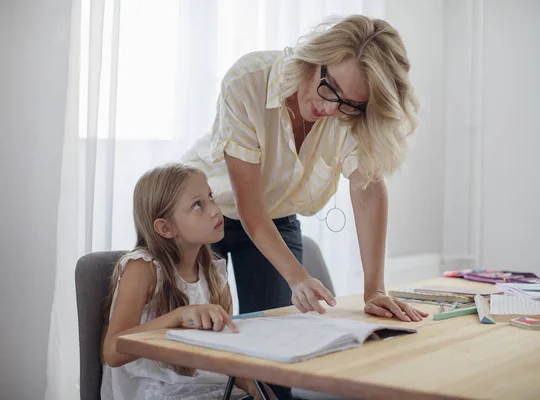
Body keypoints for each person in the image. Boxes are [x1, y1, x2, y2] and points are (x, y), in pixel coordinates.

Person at [182, 15, 429, 324]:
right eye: (331, 88)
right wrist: (298, 277)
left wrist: (375, 291)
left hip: (274, 215)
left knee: (275, 339)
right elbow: (251, 208)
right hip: (202, 208)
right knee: (196, 336)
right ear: (317, 57)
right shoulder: (249, 80)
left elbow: (366, 189)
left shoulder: (352, 115)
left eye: (350, 104)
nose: (329, 109)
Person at [100, 164, 276, 400]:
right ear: (165, 227)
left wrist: (254, 385)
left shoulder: (215, 274)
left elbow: (222, 353)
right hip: (153, 391)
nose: (215, 210)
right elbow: (112, 351)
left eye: (210, 197)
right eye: (197, 205)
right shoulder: (143, 268)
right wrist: (178, 316)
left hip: (203, 384)